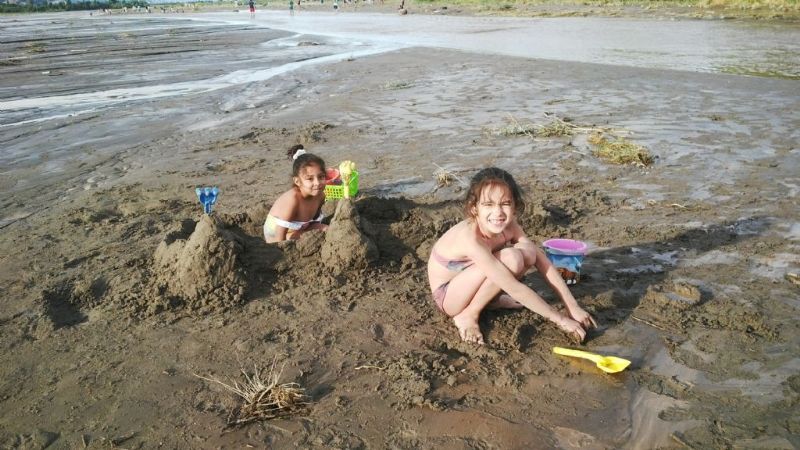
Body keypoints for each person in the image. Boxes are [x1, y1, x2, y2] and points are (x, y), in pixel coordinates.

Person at [427, 167, 597, 345]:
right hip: (448, 297)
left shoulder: (510, 225)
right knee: (511, 258)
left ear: (515, 205)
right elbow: (514, 287)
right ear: (474, 208)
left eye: (505, 203)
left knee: (528, 252)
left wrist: (572, 306)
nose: (498, 212)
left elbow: (541, 261)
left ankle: (490, 301)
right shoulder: (471, 239)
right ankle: (468, 314)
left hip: (472, 281)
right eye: (488, 204)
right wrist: (560, 319)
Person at [264, 145, 327, 243]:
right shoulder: (292, 200)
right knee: (302, 240)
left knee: (327, 230)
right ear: (297, 181)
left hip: (301, 226)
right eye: (310, 179)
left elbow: (315, 219)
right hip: (276, 231)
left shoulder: (321, 195)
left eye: (321, 177)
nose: (317, 183)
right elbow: (279, 237)